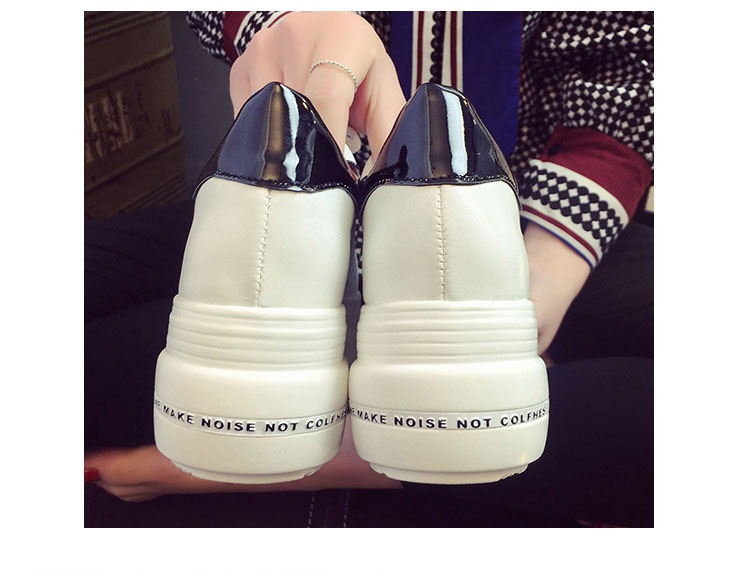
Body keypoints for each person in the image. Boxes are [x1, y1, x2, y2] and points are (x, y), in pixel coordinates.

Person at [84, 11, 653, 526]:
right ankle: (426, 431)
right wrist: (289, 22)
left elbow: (623, 83)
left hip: (527, 213)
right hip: (342, 211)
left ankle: (319, 447)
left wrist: (544, 272)